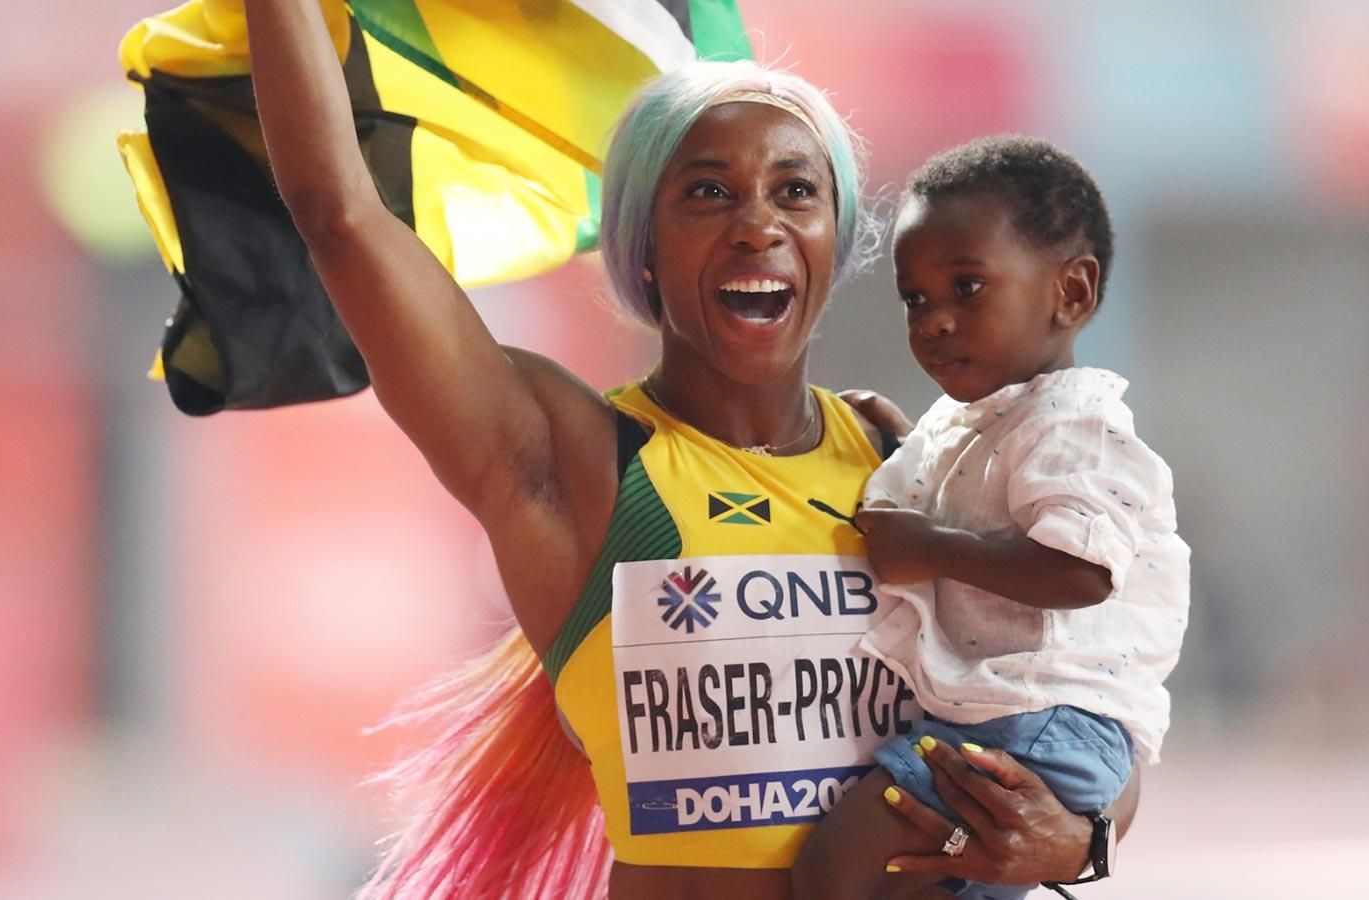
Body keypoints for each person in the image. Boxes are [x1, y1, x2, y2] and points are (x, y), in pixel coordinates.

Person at [238, 2, 1138, 896]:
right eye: (708, 192)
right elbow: (339, 213)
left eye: (796, 191)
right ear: (644, 248)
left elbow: (1095, 699)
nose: (759, 225)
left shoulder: (909, 461)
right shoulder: (571, 461)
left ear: (833, 240)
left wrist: (1083, 840)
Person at [793, 137, 1189, 900]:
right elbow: (988, 497)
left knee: (835, 871)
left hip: (1041, 721)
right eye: (916, 299)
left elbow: (1078, 571)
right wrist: (912, 442)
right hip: (1016, 717)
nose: (935, 321)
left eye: (967, 287)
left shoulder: (1077, 429)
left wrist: (933, 548)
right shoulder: (989, 418)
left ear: (1070, 294)